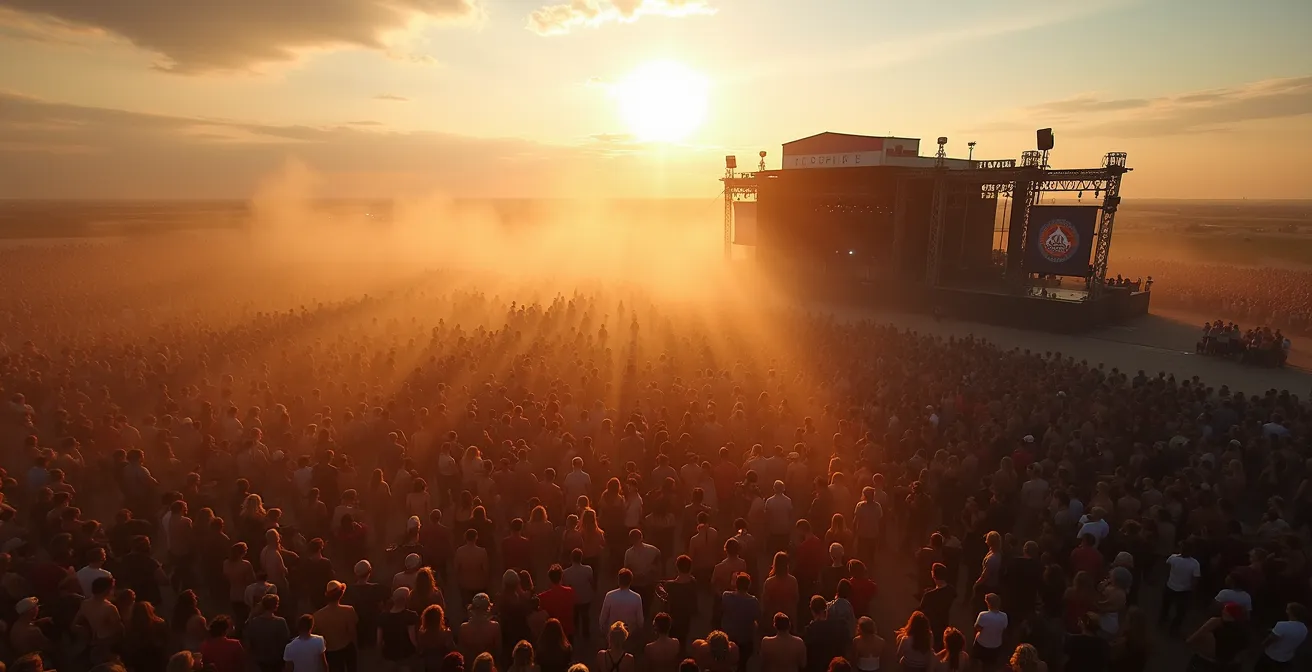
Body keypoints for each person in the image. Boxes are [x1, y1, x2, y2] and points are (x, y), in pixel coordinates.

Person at [314, 580, 360, 672]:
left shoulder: (317, 615)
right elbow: (352, 632)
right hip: (347, 648)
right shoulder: (348, 610)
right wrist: (356, 647)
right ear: (341, 594)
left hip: (329, 652)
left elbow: (317, 636)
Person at [720, 573, 759, 672]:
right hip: (745, 637)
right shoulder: (753, 601)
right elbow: (756, 617)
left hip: (729, 635)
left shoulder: (726, 596)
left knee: (726, 662)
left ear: (736, 584)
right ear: (748, 586)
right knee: (742, 664)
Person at [244, 594, 291, 672]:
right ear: (275, 606)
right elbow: (285, 640)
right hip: (276, 660)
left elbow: (249, 641)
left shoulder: (254, 622)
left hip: (259, 661)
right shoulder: (280, 622)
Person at [1257, 602, 1308, 672]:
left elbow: (1270, 640)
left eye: (1288, 609)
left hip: (1272, 656)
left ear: (1291, 612)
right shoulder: (1304, 629)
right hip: (1287, 658)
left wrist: (1261, 646)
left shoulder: (1281, 625)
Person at [378, 586, 420, 669]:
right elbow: (412, 639)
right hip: (406, 655)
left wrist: (379, 656)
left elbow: (379, 640)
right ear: (406, 599)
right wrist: (418, 650)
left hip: (388, 655)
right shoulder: (411, 615)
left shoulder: (382, 616)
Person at [599, 568, 644, 637]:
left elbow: (603, 617)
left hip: (613, 633)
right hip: (629, 634)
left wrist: (603, 628)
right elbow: (640, 622)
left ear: (618, 581)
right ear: (631, 581)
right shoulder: (637, 597)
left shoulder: (610, 595)